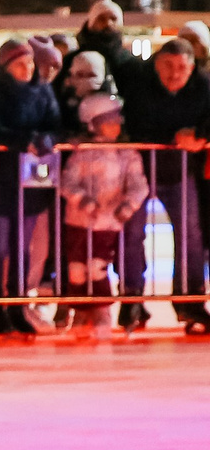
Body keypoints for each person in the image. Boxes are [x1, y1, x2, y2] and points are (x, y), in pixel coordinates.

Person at [120, 35, 210, 332]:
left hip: (181, 170)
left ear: (192, 67)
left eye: (182, 68)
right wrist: (174, 138)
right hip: (140, 169)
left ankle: (190, 301)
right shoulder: (140, 84)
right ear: (156, 66)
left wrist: (200, 134)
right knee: (132, 235)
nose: (174, 74)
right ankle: (131, 298)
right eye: (168, 67)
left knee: (190, 236)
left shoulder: (204, 86)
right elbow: (136, 123)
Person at [0, 37, 61, 337]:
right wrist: (21, 141)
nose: (26, 68)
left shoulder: (43, 91)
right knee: (0, 246)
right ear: (6, 67)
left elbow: (55, 124)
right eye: (19, 64)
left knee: (21, 248)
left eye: (28, 62)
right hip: (1, 179)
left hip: (32, 180)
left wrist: (45, 140)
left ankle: (17, 306)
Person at [58, 93, 149, 336]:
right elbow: (66, 181)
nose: (116, 127)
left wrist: (129, 204)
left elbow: (139, 184)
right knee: (77, 268)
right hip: (78, 220)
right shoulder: (83, 153)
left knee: (97, 265)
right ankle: (80, 309)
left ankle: (101, 309)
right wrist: (82, 199)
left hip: (107, 222)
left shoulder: (126, 154)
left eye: (118, 121)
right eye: (110, 122)